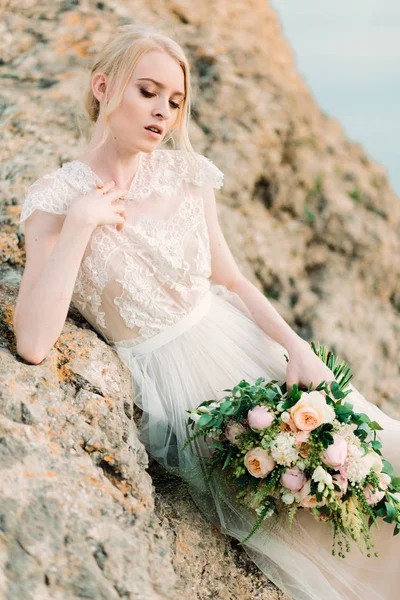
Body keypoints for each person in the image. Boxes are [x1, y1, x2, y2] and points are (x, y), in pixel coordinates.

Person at [13, 23, 400, 600]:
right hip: (186, 397)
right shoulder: (54, 199)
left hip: (245, 347)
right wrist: (80, 225)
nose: (162, 112)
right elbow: (33, 343)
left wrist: (296, 348)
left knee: (375, 463)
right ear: (102, 86)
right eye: (147, 92)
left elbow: (232, 278)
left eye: (174, 100)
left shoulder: (188, 175)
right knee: (316, 526)